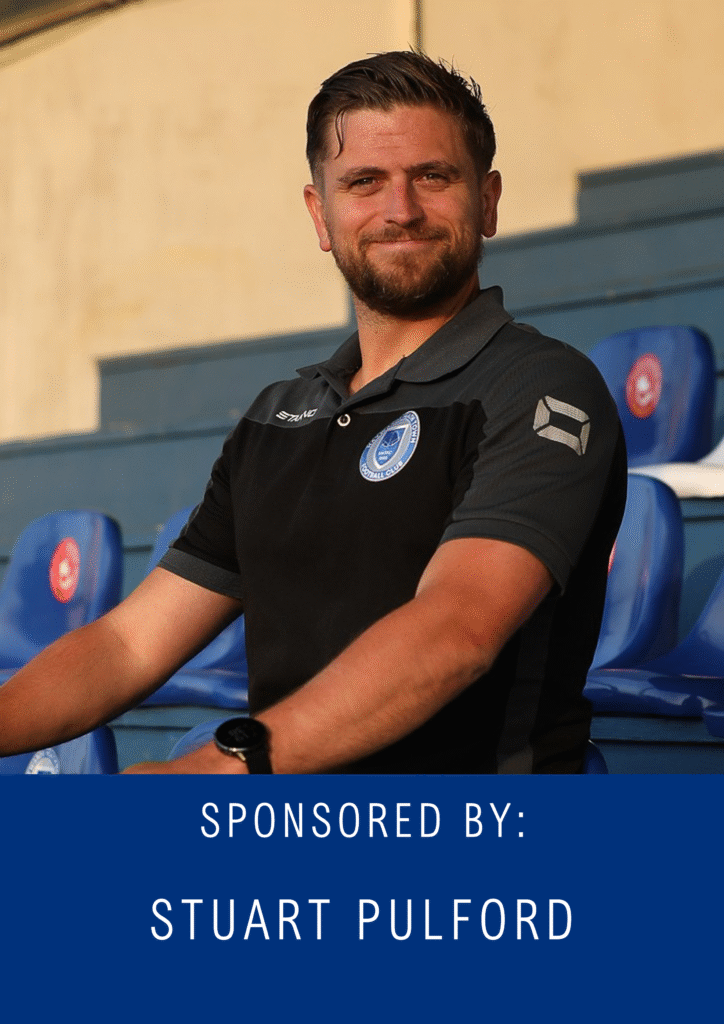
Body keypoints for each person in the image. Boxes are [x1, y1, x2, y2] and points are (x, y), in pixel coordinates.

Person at [0, 51, 626, 774]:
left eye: (433, 176)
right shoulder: (277, 418)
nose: (400, 209)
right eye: (364, 182)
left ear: (487, 201)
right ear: (319, 213)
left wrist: (214, 771)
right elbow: (127, 645)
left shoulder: (543, 388)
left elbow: (455, 631)